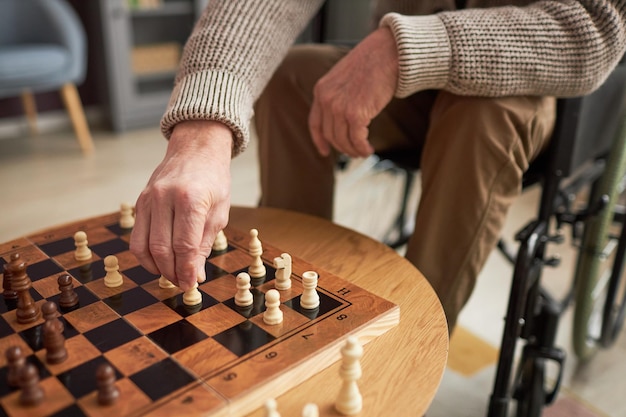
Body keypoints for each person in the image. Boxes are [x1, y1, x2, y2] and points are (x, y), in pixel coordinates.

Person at [130, 1, 626, 332]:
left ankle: (413, 339)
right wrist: (202, 129)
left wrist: (402, 48)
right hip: (404, 88)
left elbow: (596, 29)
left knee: (480, 117)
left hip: (526, 82)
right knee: (292, 78)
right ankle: (285, 287)